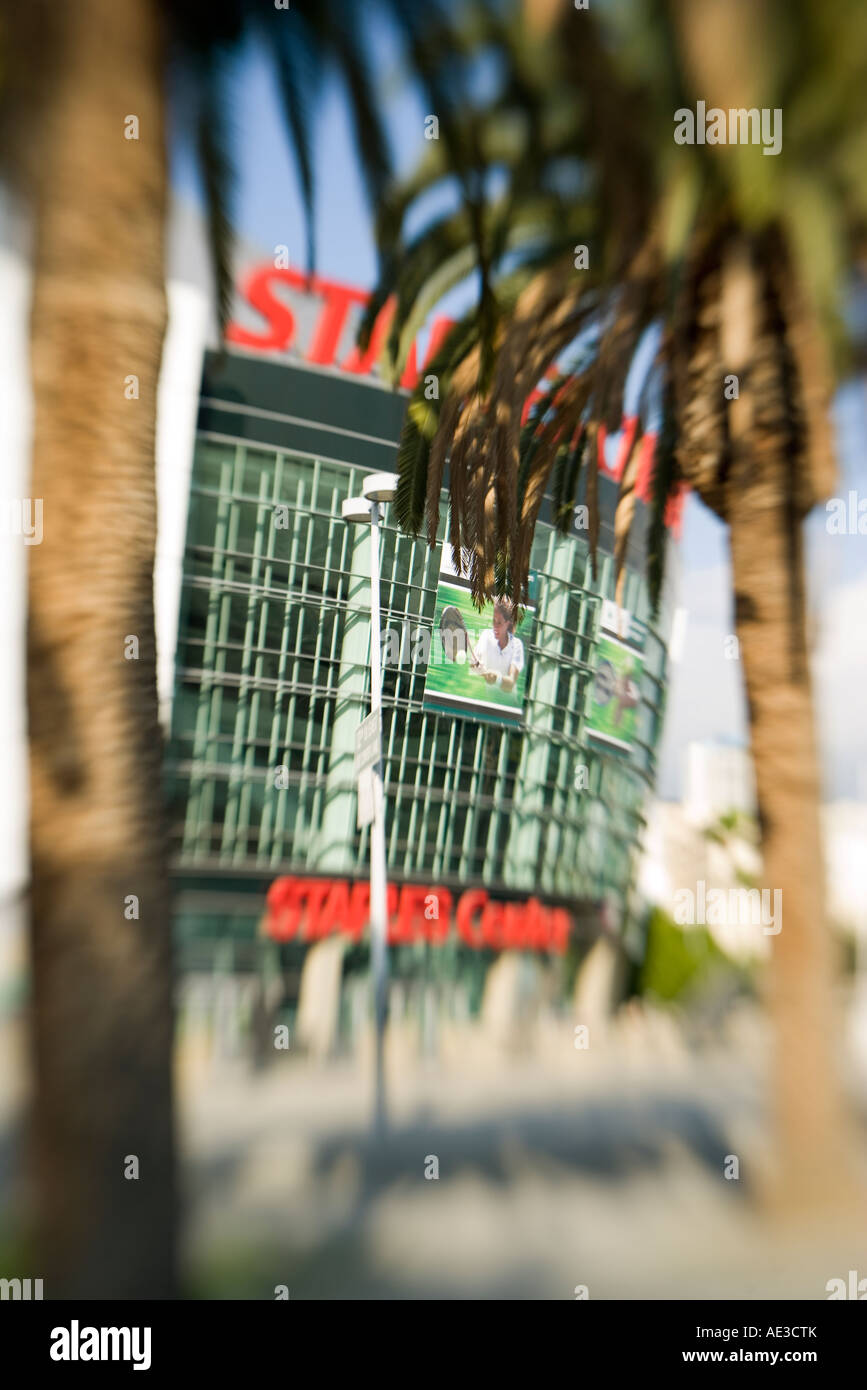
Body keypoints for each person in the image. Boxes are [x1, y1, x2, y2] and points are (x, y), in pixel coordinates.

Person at [472, 598, 524, 693]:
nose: (495, 626)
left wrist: (497, 678)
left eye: (499, 622)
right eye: (493, 620)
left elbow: (510, 684)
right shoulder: (486, 635)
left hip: (510, 703)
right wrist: (480, 669)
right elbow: (473, 665)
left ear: (508, 624)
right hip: (487, 699)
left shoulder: (517, 645)